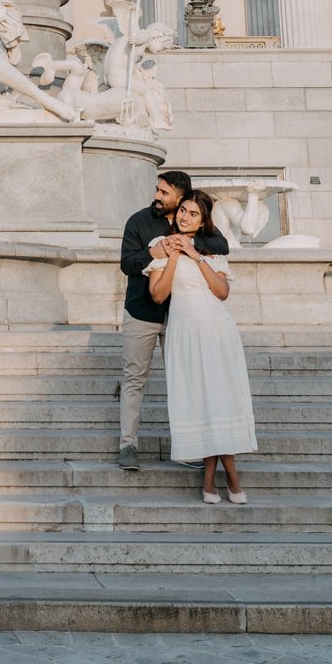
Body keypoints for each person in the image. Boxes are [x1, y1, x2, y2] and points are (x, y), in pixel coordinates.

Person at [146, 189, 257, 502]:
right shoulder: (161, 246)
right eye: (183, 210)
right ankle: (226, 478)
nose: (185, 217)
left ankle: (217, 478)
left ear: (203, 220)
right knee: (200, 402)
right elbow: (158, 295)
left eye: (193, 214)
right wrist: (175, 256)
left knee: (221, 401)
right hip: (184, 332)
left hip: (217, 330)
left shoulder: (211, 251)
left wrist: (195, 256)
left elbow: (221, 291)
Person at [117, 169, 228, 470]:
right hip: (143, 312)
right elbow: (126, 264)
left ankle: (190, 447)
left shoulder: (193, 221)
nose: (157, 196)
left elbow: (222, 246)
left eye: (164, 193)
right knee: (134, 378)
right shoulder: (139, 221)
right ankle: (128, 445)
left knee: (184, 380)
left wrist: (186, 244)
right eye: (157, 190)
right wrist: (153, 251)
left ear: (182, 198)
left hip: (182, 316)